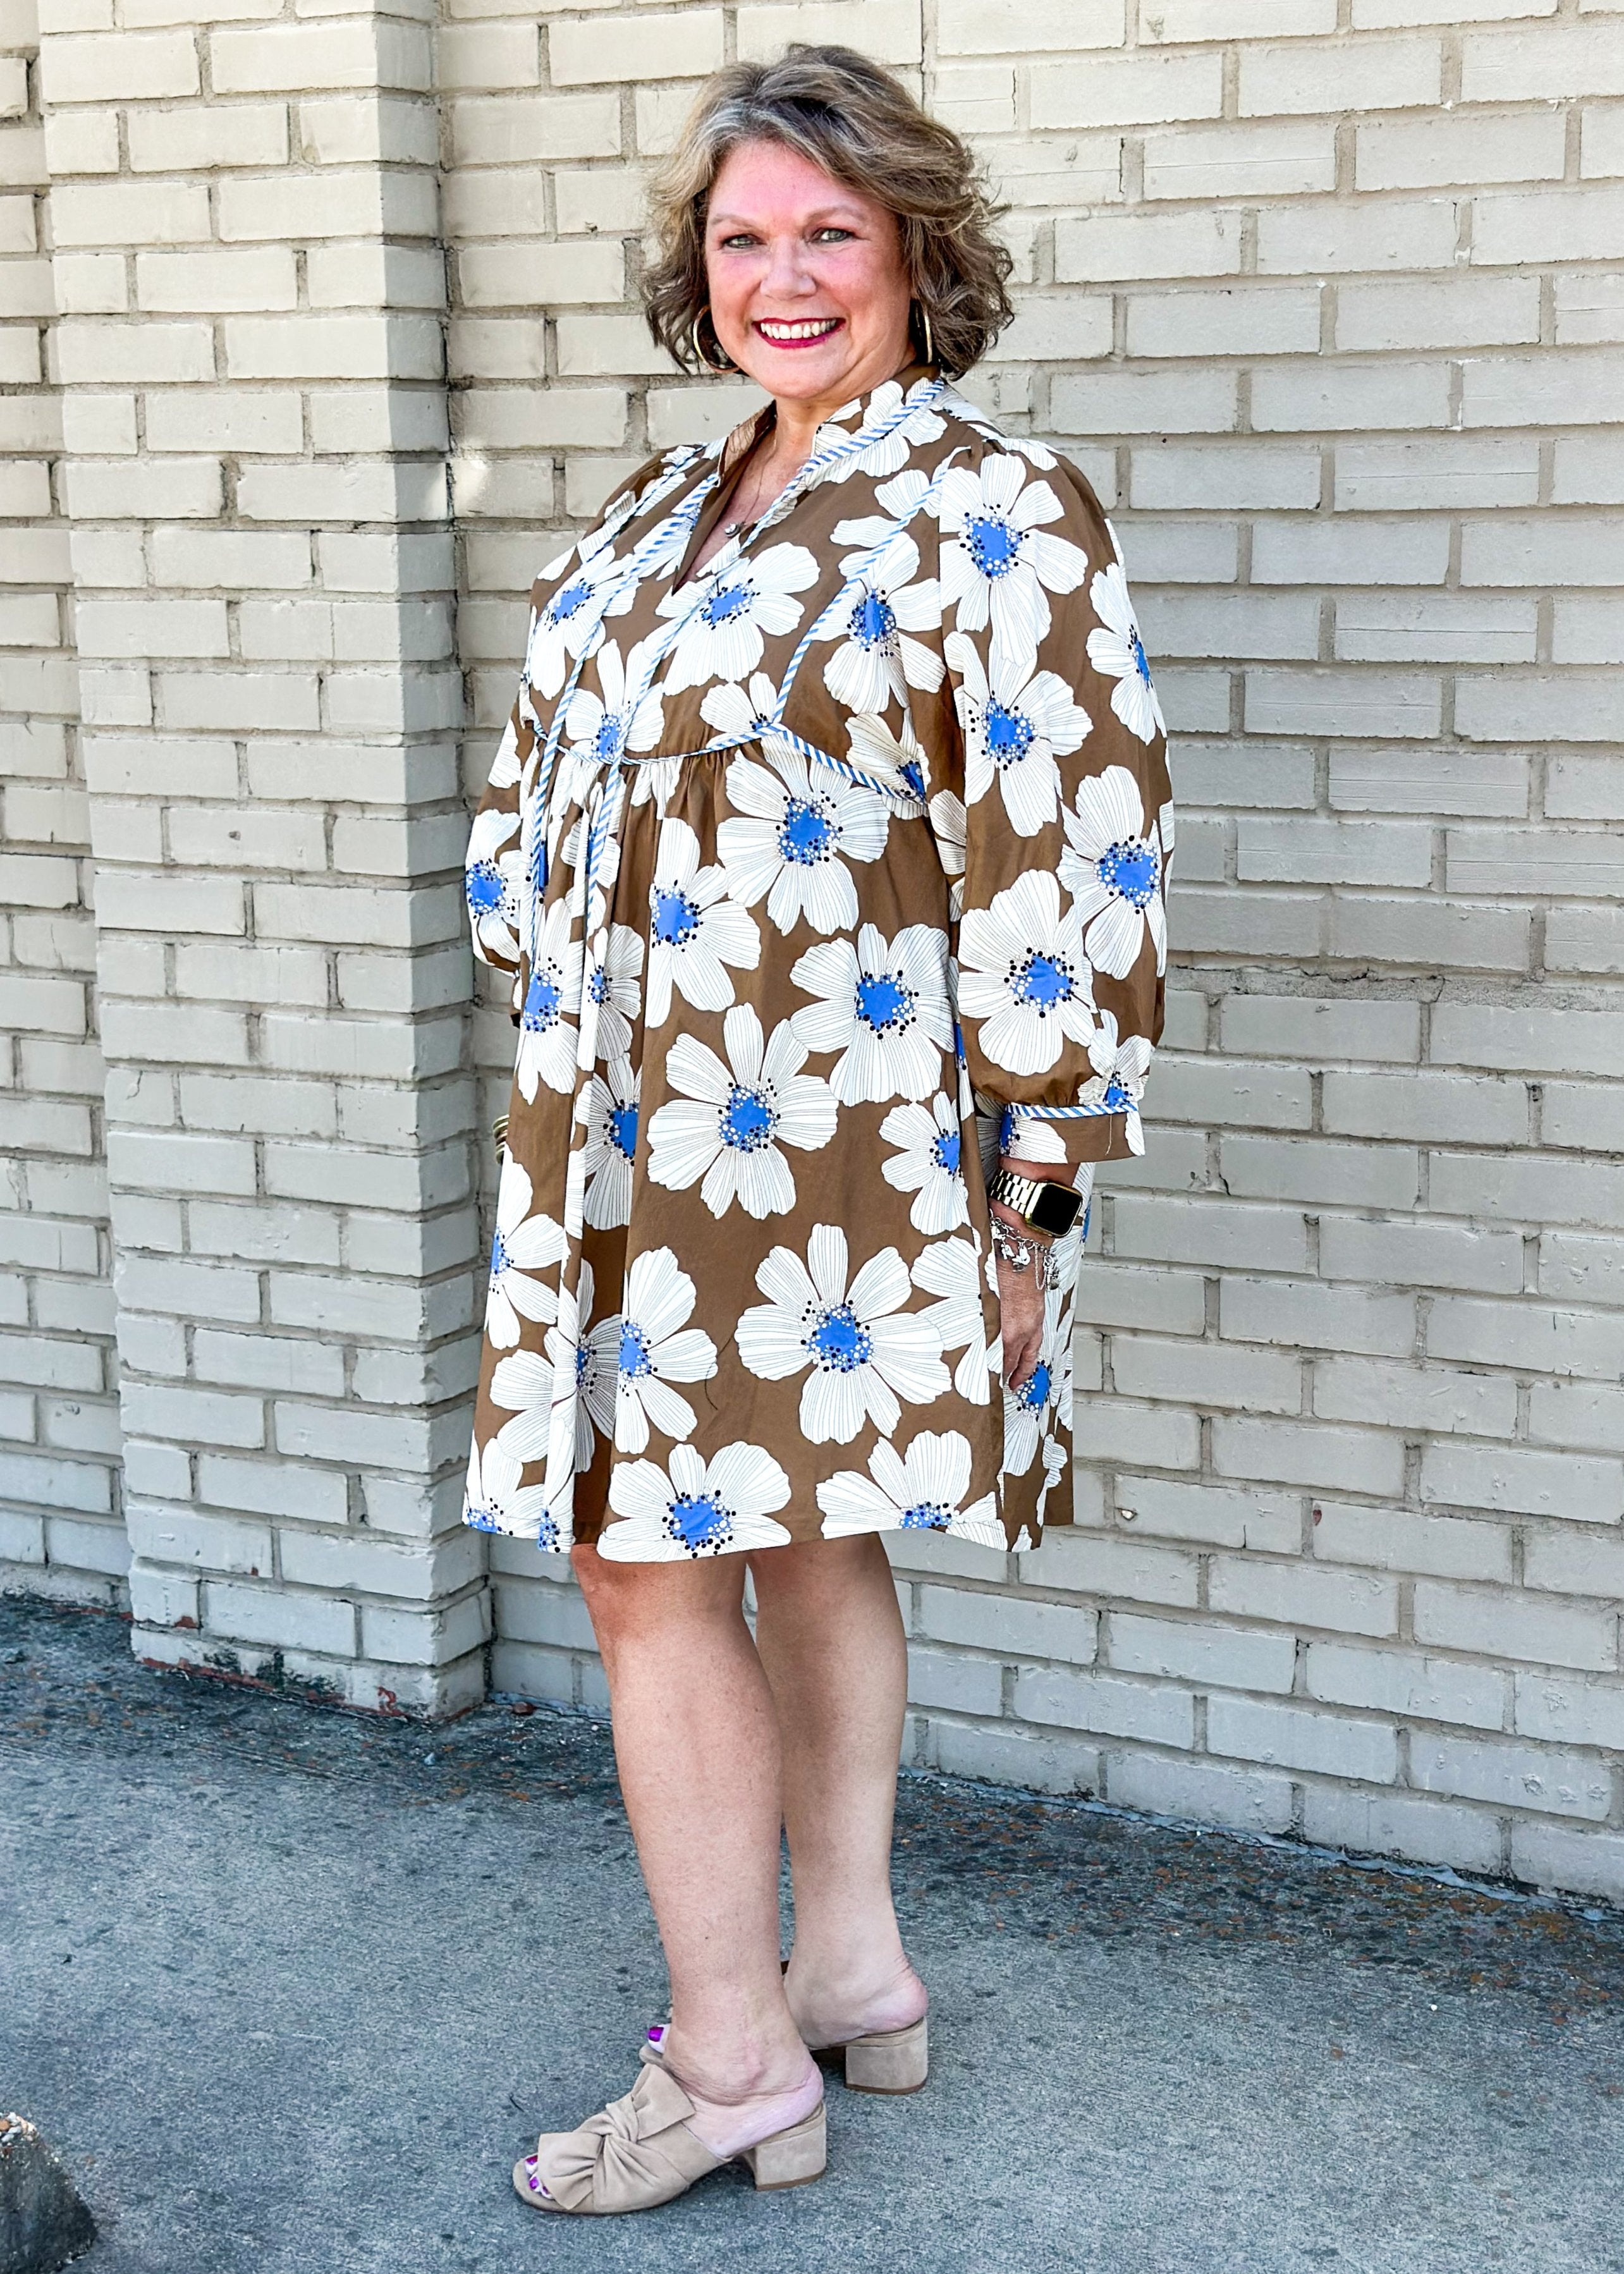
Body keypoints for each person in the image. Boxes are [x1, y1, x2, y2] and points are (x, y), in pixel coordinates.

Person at [461, 43, 1173, 2216]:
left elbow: (1076, 840)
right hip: (629, 1116)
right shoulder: (663, 504)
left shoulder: (990, 501)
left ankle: (730, 2058)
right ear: (699, 268)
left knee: (638, 1553)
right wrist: (549, 951)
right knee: (787, 1530)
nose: (779, 275)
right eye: (740, 235)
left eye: (826, 235)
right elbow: (537, 789)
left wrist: (1033, 1184)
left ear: (915, 256)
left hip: (834, 1129)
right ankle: (848, 1963)